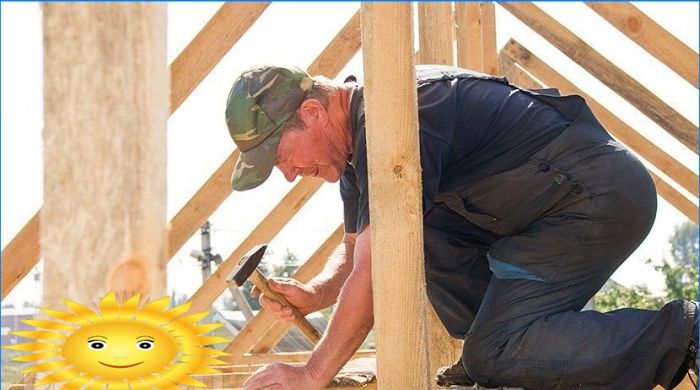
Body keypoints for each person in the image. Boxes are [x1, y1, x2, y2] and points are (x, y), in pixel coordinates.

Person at [224, 65, 698, 390]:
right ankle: (500, 364)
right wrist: (315, 293)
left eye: (283, 158)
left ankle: (688, 334)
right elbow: (356, 255)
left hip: (591, 194)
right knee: (413, 232)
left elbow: (377, 269)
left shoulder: (399, 119)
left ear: (312, 113)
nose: (288, 174)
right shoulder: (354, 156)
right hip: (541, 213)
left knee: (493, 347)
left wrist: (311, 373)